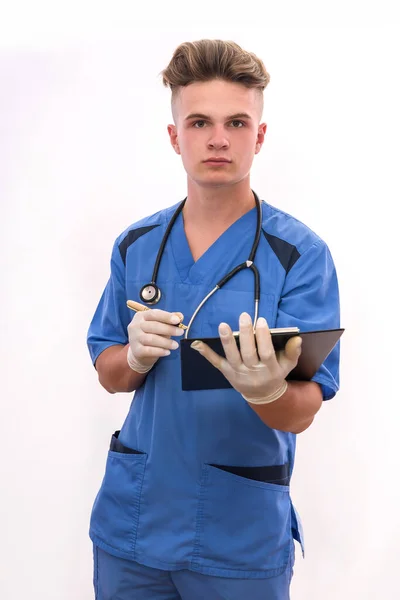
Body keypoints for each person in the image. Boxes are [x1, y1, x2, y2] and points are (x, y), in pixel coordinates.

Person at [87, 39, 340, 600]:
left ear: (260, 135)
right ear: (175, 136)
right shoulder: (137, 245)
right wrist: (130, 358)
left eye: (237, 122)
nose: (218, 138)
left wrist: (268, 390)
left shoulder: (299, 255)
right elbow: (107, 372)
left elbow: (302, 410)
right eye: (199, 121)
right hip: (132, 526)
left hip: (238, 534)